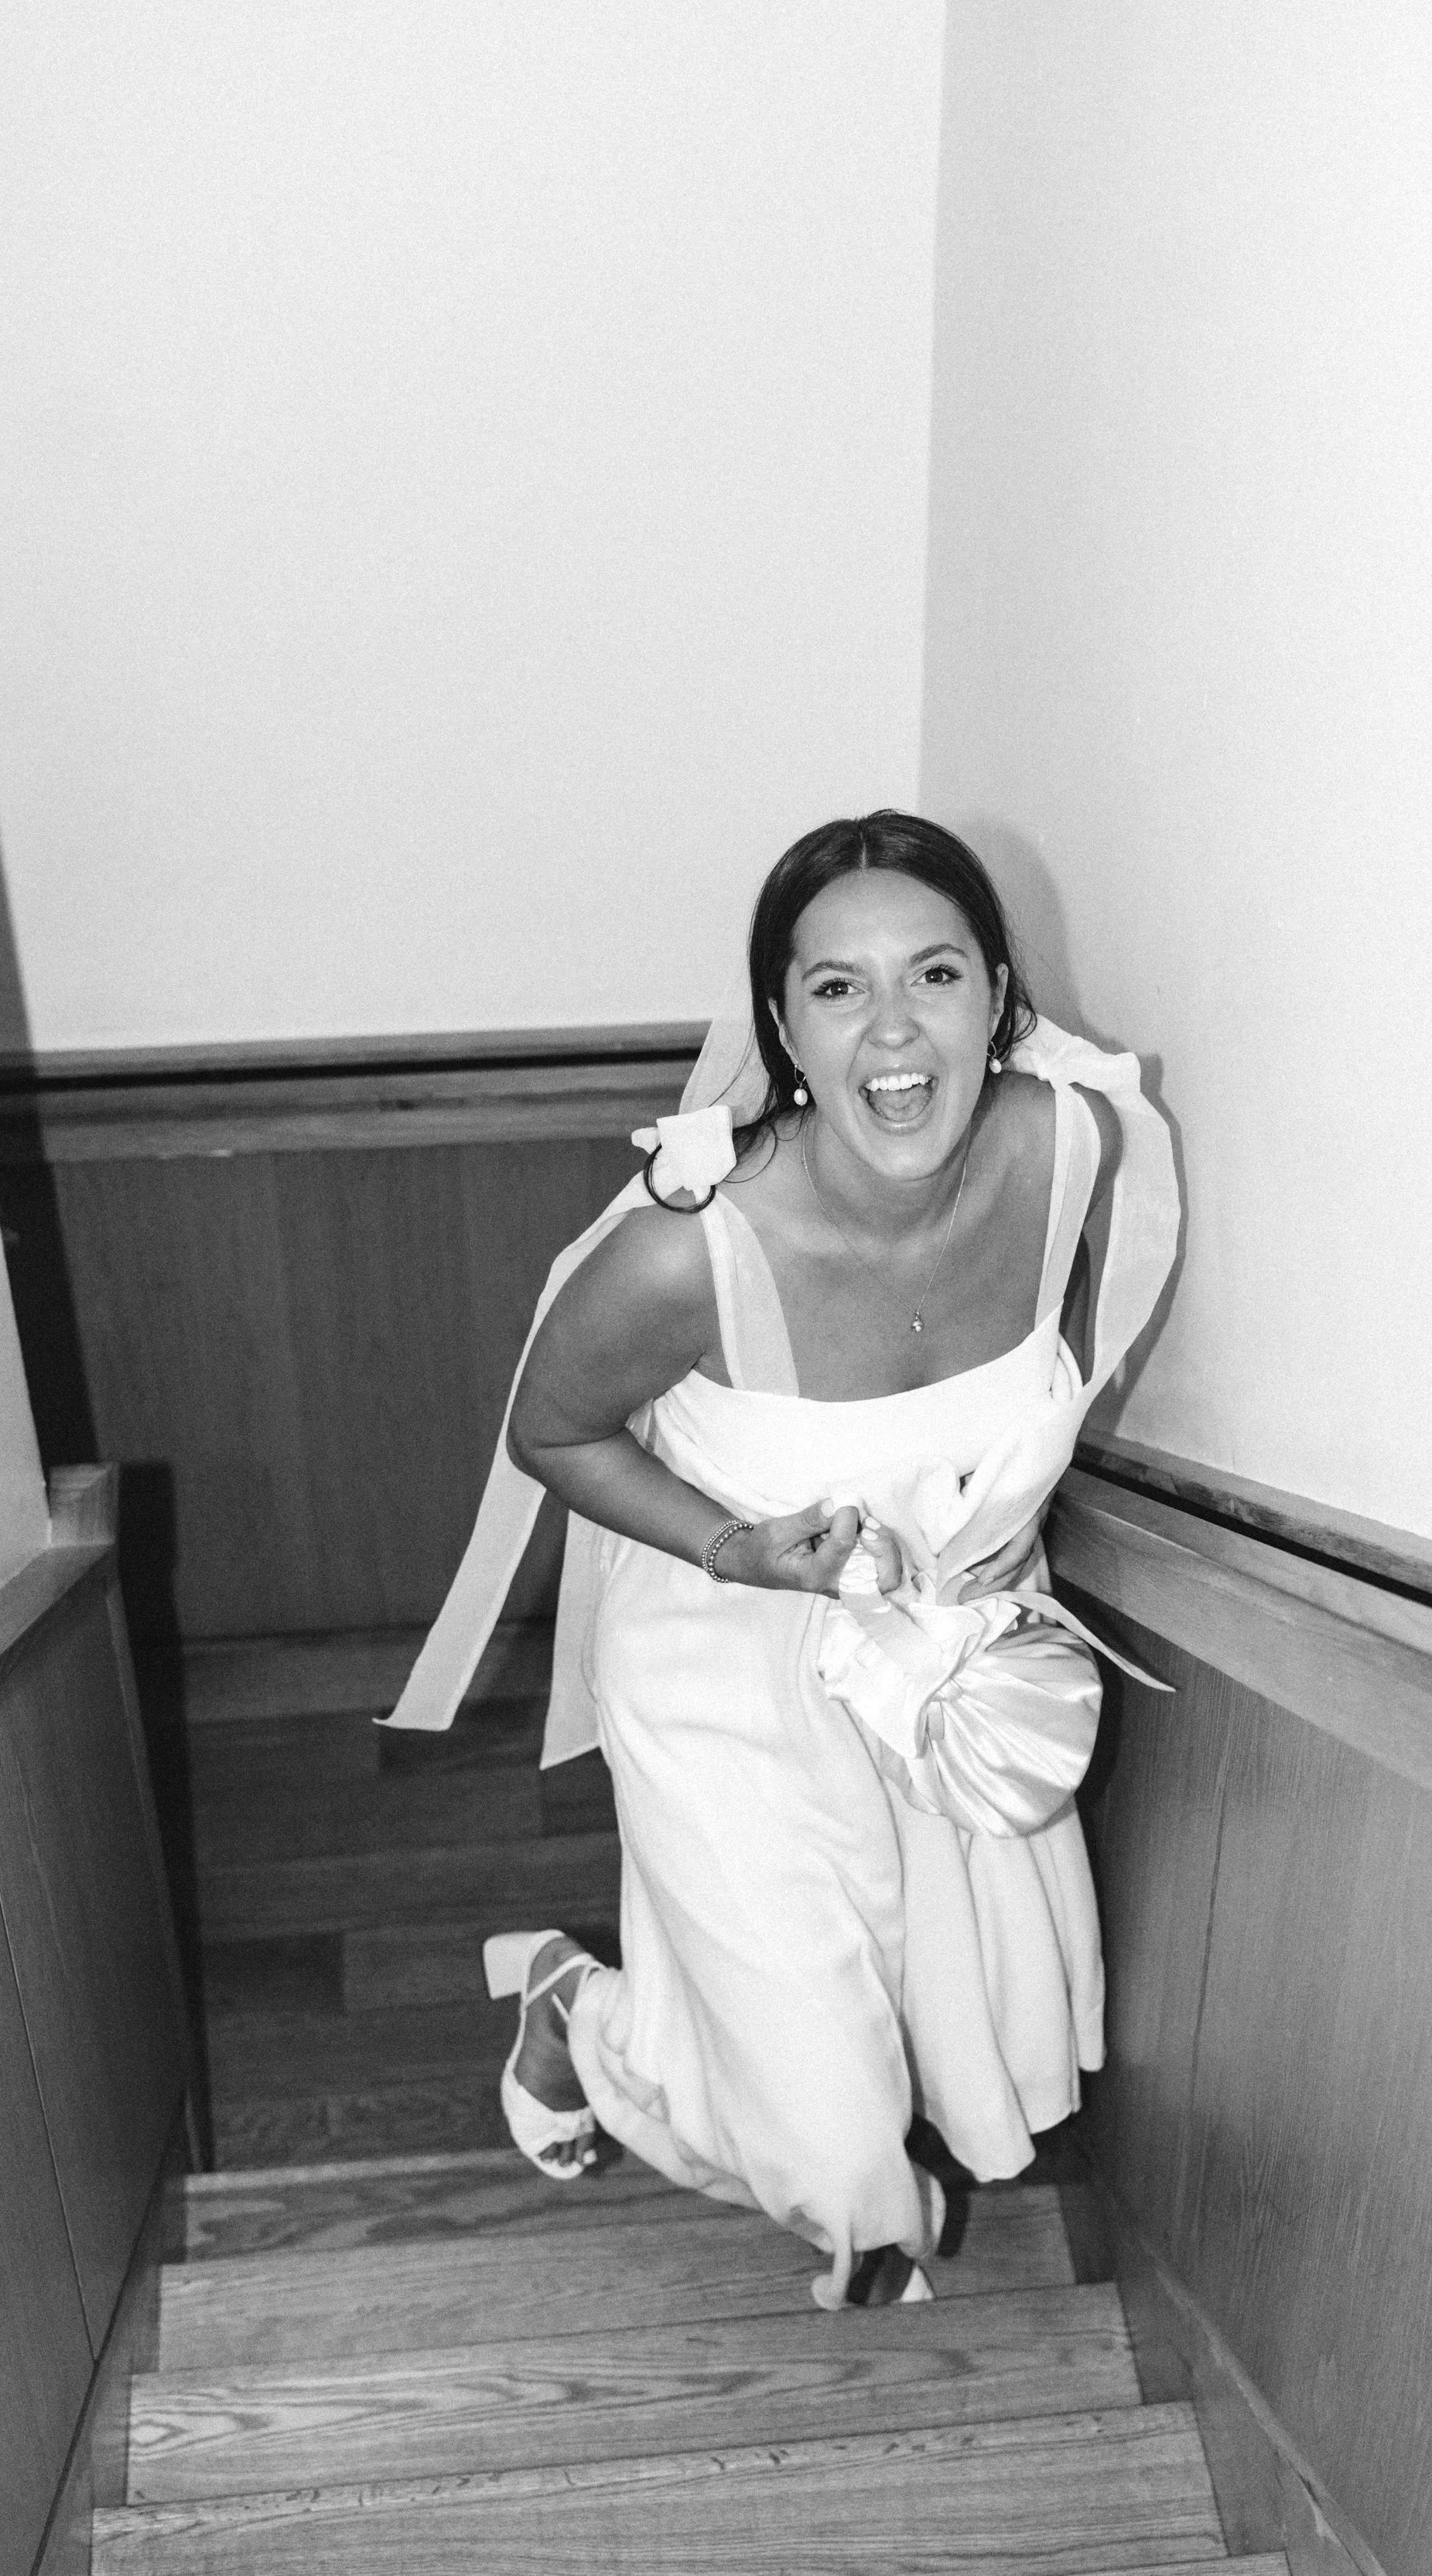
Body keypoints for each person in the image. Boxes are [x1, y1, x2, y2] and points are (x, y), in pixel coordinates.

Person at [380, 811, 1179, 2307]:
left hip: (938, 1658)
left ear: (1000, 997)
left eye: (935, 973)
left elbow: (1028, 1376)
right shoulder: (692, 1249)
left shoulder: (1070, 1147)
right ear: (781, 1027)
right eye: (836, 988)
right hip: (722, 1663)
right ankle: (607, 2036)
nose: (894, 1029)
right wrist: (740, 1546)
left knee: (919, 2012)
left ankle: (628, 2037)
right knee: (816, 2103)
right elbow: (551, 1431)